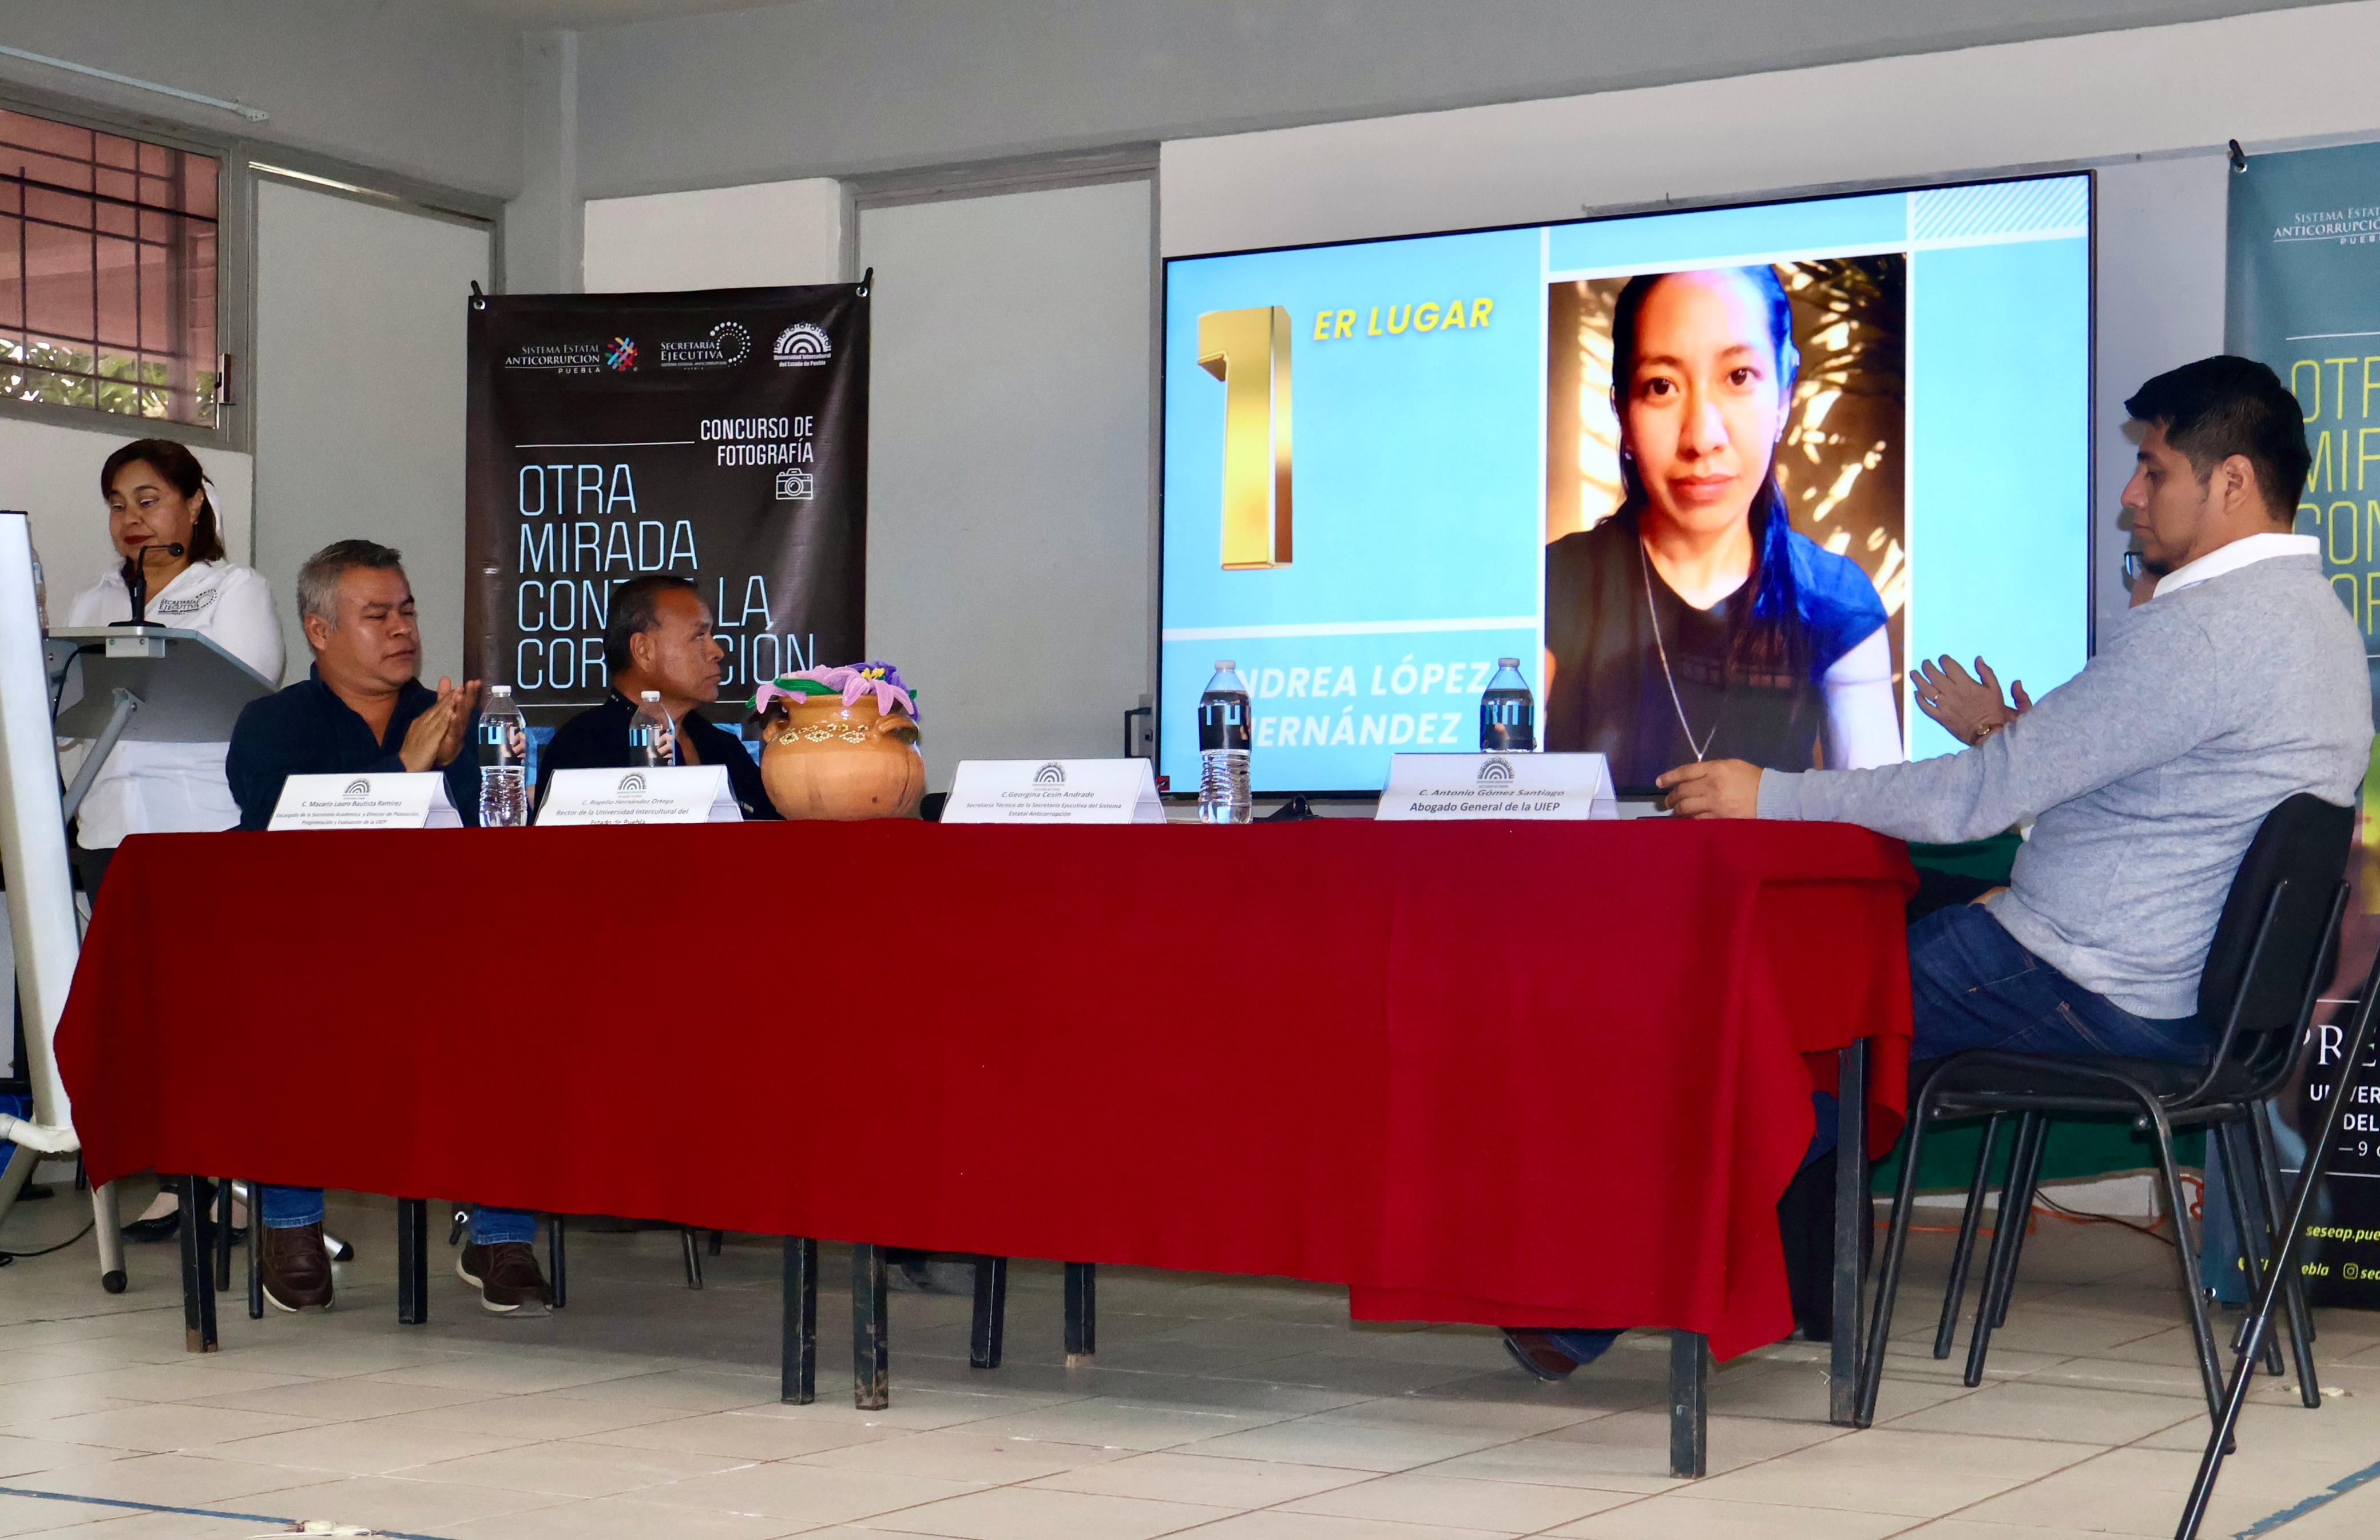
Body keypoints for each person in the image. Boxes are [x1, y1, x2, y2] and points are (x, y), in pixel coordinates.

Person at [1661, 353, 2369, 1059]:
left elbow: (1972, 798)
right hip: (2169, 992)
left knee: (1782, 1022)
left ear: (2233, 481)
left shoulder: (2201, 631)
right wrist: (2011, 739)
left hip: (2084, 982)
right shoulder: (2318, 622)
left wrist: (1767, 793)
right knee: (1890, 911)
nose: (2130, 495)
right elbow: (2179, 787)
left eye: (2153, 472)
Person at [224, 539, 550, 1315]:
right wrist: (404, 771)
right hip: (315, 957)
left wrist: (455, 760)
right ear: (319, 631)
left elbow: (502, 845)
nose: (402, 628)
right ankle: (289, 1227)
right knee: (280, 1009)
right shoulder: (273, 723)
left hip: (444, 957)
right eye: (377, 614)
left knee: (520, 1002)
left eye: (407, 610)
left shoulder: (459, 722)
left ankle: (499, 1234)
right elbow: (275, 835)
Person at [1542, 265, 1903, 788]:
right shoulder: (1552, 587)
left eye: (1739, 377)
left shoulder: (1834, 602)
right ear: (1622, 411)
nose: (1703, 437)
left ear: (1784, 396)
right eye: (1661, 386)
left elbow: (1876, 819)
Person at [64, 440, 283, 1244]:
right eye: (117, 504)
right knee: (143, 1017)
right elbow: (66, 715)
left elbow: (243, 699)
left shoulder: (234, 588)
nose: (132, 518)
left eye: (149, 499)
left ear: (194, 505)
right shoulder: (90, 602)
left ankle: (235, 1179)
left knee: (211, 1014)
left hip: (199, 825)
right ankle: (174, 1180)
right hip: (107, 827)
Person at [537, 574, 776, 819]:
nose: (717, 652)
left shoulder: (724, 748)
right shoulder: (580, 750)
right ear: (643, 650)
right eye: (699, 636)